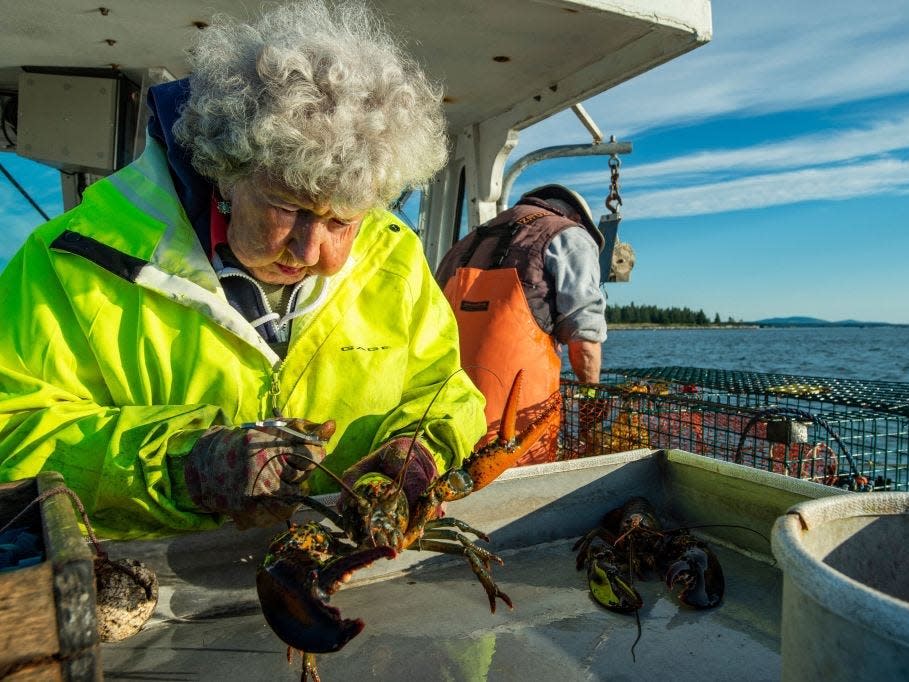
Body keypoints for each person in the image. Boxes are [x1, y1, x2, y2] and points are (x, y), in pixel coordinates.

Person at [0, 1, 486, 539]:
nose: (309, 251)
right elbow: (12, 433)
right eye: (287, 208)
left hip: (350, 568)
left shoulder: (395, 254)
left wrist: (419, 454)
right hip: (148, 591)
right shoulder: (70, 261)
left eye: (342, 220)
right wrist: (186, 466)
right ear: (225, 172)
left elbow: (446, 393)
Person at [436, 184, 607, 464]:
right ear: (577, 218)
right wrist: (591, 401)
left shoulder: (468, 241)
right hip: (514, 440)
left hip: (446, 431)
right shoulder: (569, 234)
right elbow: (584, 338)